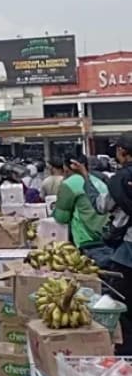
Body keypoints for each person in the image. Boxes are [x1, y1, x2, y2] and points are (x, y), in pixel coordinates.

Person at [75, 132, 132, 354]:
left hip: (127, 253)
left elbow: (100, 205)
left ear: (121, 152)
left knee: (124, 311)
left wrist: (87, 178)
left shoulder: (119, 180)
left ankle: (126, 362)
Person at [53, 156, 108, 249]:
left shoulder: (69, 183)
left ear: (66, 168)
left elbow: (62, 218)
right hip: (106, 235)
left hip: (87, 239)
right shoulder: (97, 180)